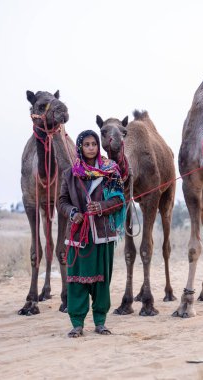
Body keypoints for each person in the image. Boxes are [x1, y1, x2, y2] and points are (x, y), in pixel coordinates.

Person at [59, 130, 125, 338]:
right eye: (86, 144)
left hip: (103, 234)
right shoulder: (70, 174)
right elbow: (62, 202)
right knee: (76, 281)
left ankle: (100, 322)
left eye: (94, 144)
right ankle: (77, 324)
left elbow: (119, 200)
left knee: (101, 281)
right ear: (80, 147)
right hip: (78, 235)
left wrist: (102, 206)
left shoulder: (111, 172)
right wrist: (73, 213)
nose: (90, 148)